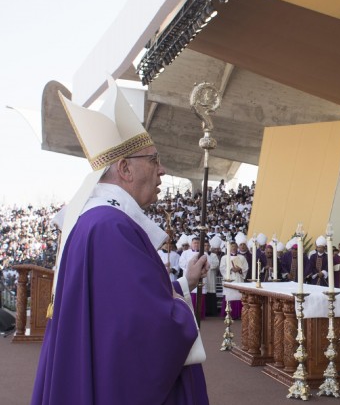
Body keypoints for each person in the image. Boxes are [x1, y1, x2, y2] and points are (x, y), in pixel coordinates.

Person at [32, 77, 210, 404]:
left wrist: (185, 284)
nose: (163, 170)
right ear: (125, 168)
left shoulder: (98, 221)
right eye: (154, 160)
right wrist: (181, 314)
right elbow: (145, 326)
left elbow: (121, 306)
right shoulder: (110, 227)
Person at [219, 241, 247, 320]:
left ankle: (238, 314)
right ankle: (228, 313)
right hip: (229, 279)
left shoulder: (242, 257)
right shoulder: (224, 257)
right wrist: (231, 269)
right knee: (229, 295)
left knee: (238, 295)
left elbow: (245, 268)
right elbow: (222, 268)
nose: (233, 248)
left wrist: (240, 269)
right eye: (232, 246)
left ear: (237, 247)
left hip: (238, 278)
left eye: (235, 246)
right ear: (229, 248)